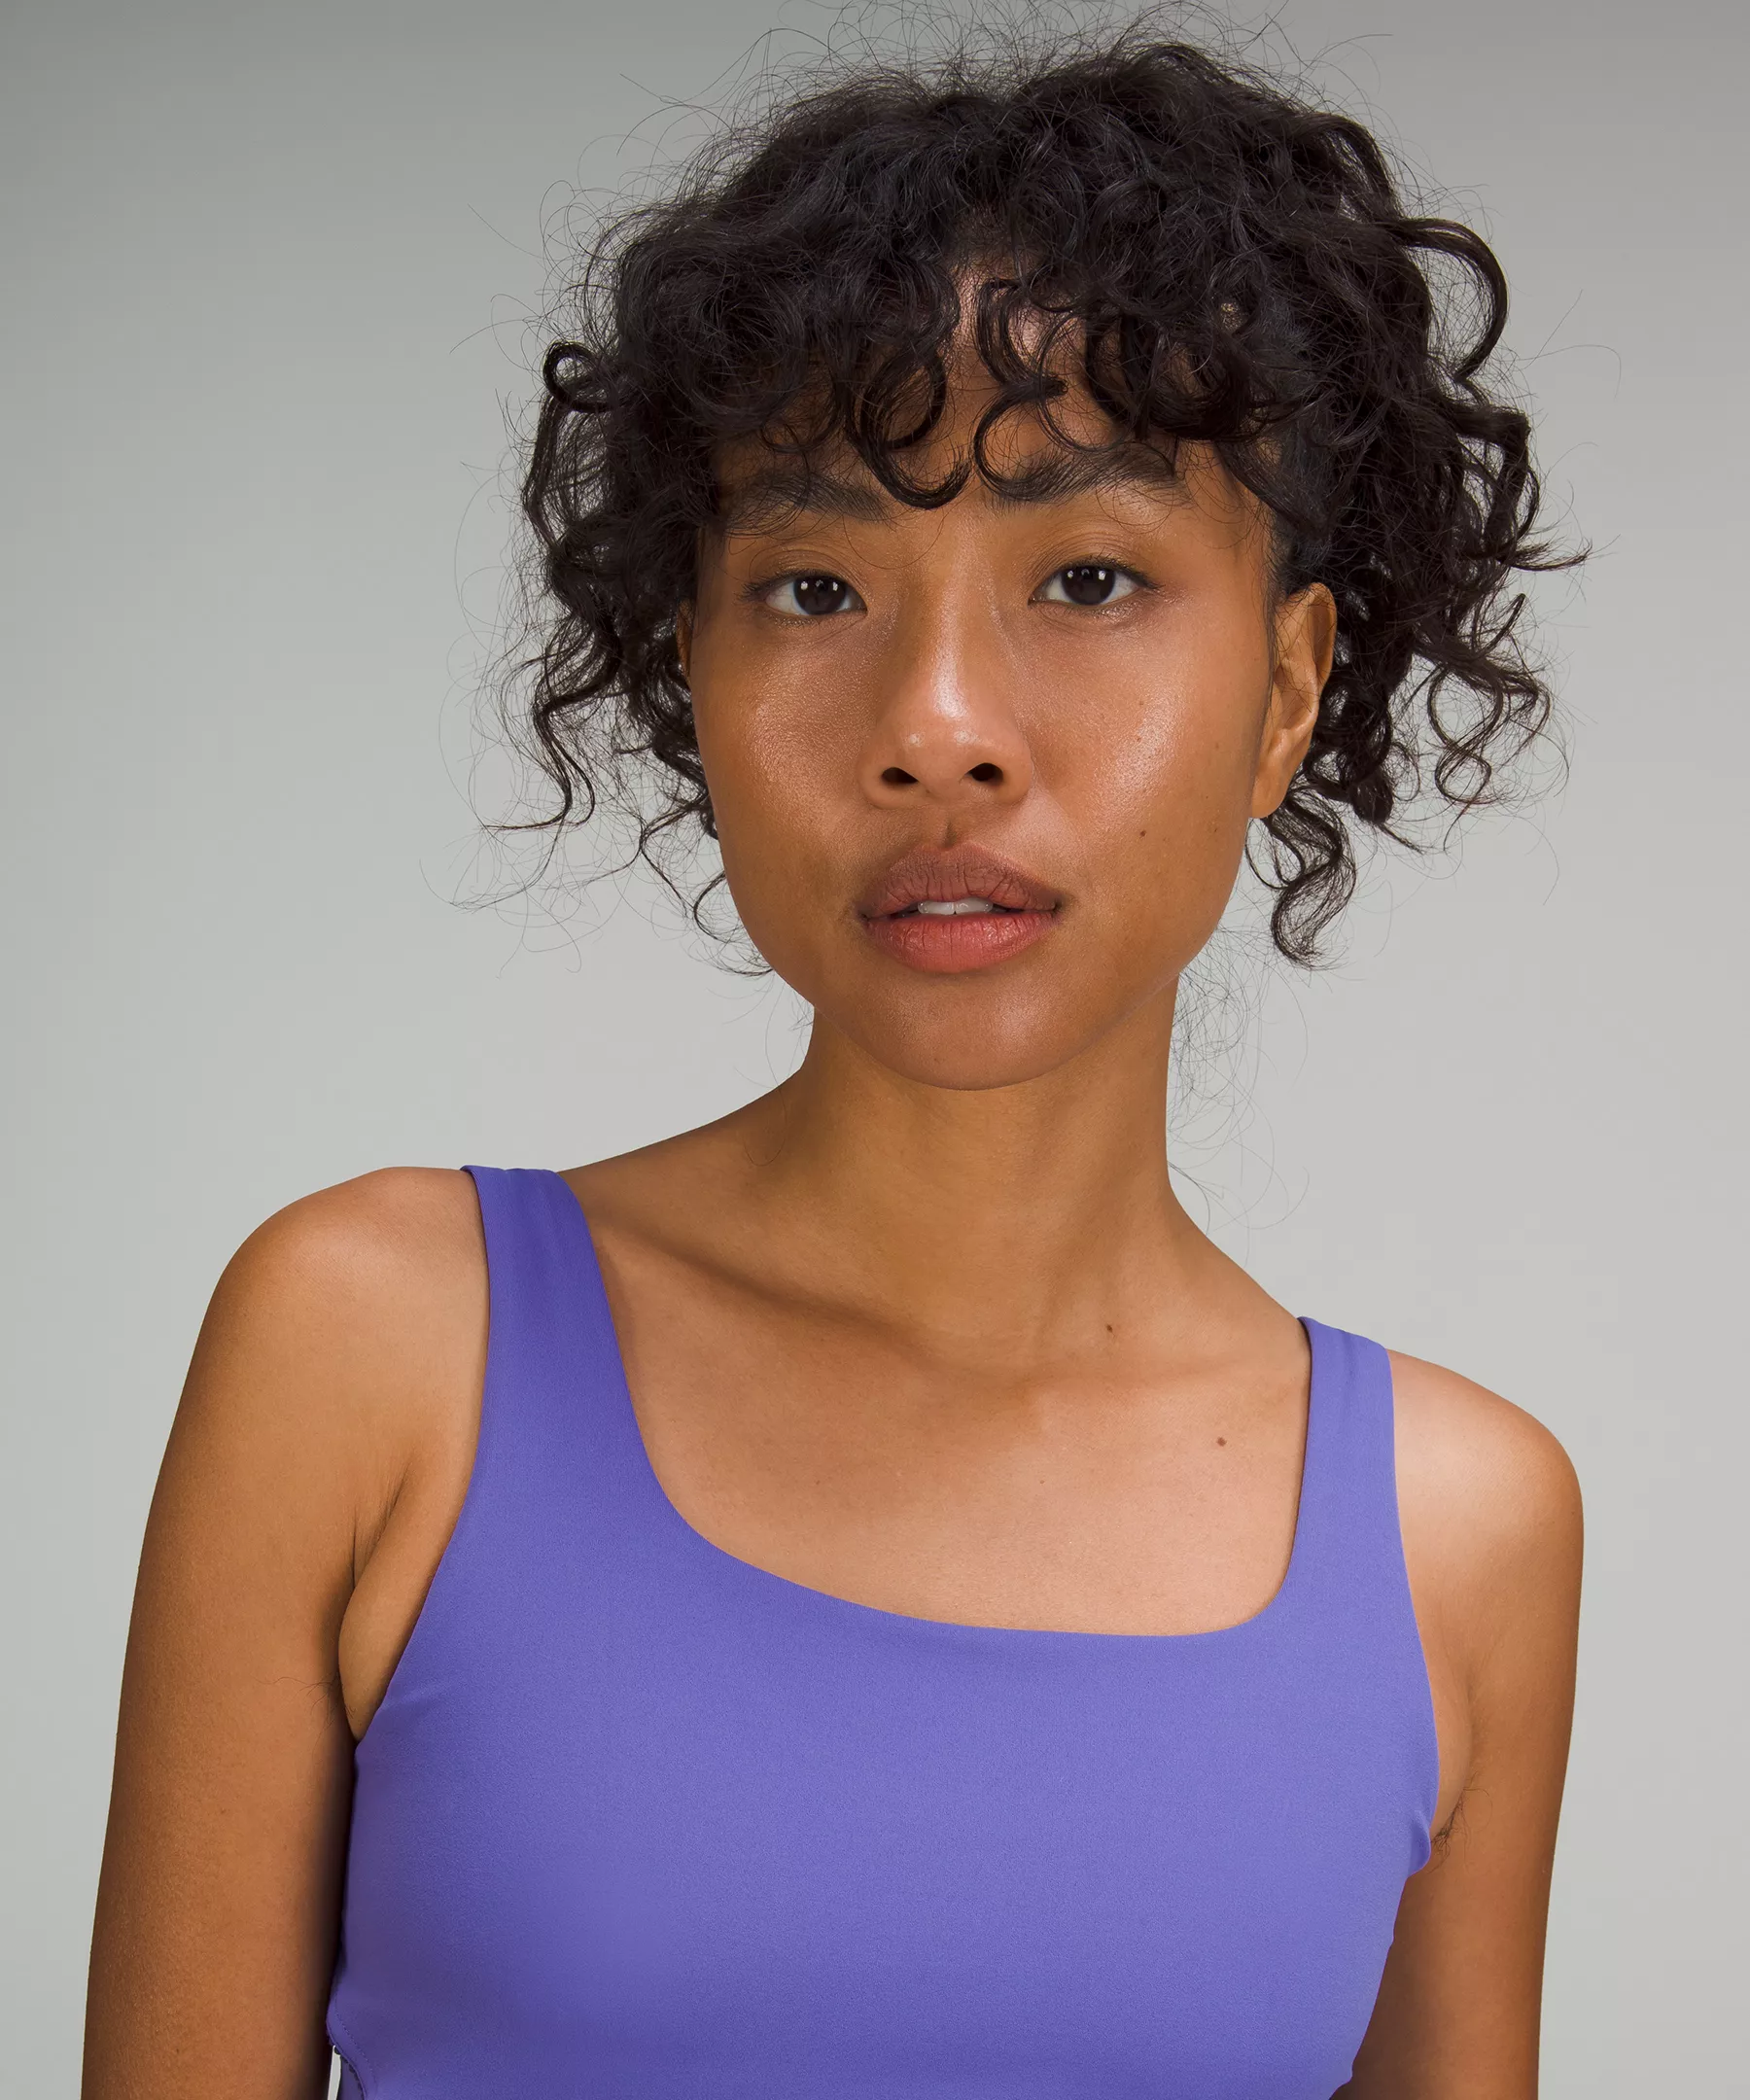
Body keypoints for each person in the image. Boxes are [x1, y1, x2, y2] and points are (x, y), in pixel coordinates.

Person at [83, 24, 1584, 2100]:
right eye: (814, 586)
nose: (937, 725)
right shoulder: (374, 1351)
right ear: (689, 671)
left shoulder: (1456, 1536)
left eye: (1089, 578)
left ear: (1282, 691)